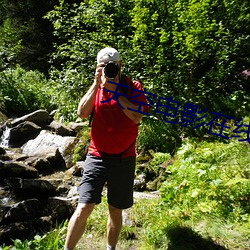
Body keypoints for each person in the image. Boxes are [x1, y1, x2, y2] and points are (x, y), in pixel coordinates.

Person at [64, 47, 149, 250]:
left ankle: (110, 248)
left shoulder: (132, 86)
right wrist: (96, 85)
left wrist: (115, 92)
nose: (108, 69)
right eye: (103, 66)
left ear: (120, 65)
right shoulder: (97, 87)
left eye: (112, 66)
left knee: (115, 209)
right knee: (84, 206)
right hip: (97, 155)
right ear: (97, 67)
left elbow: (137, 117)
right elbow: (82, 113)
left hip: (124, 157)